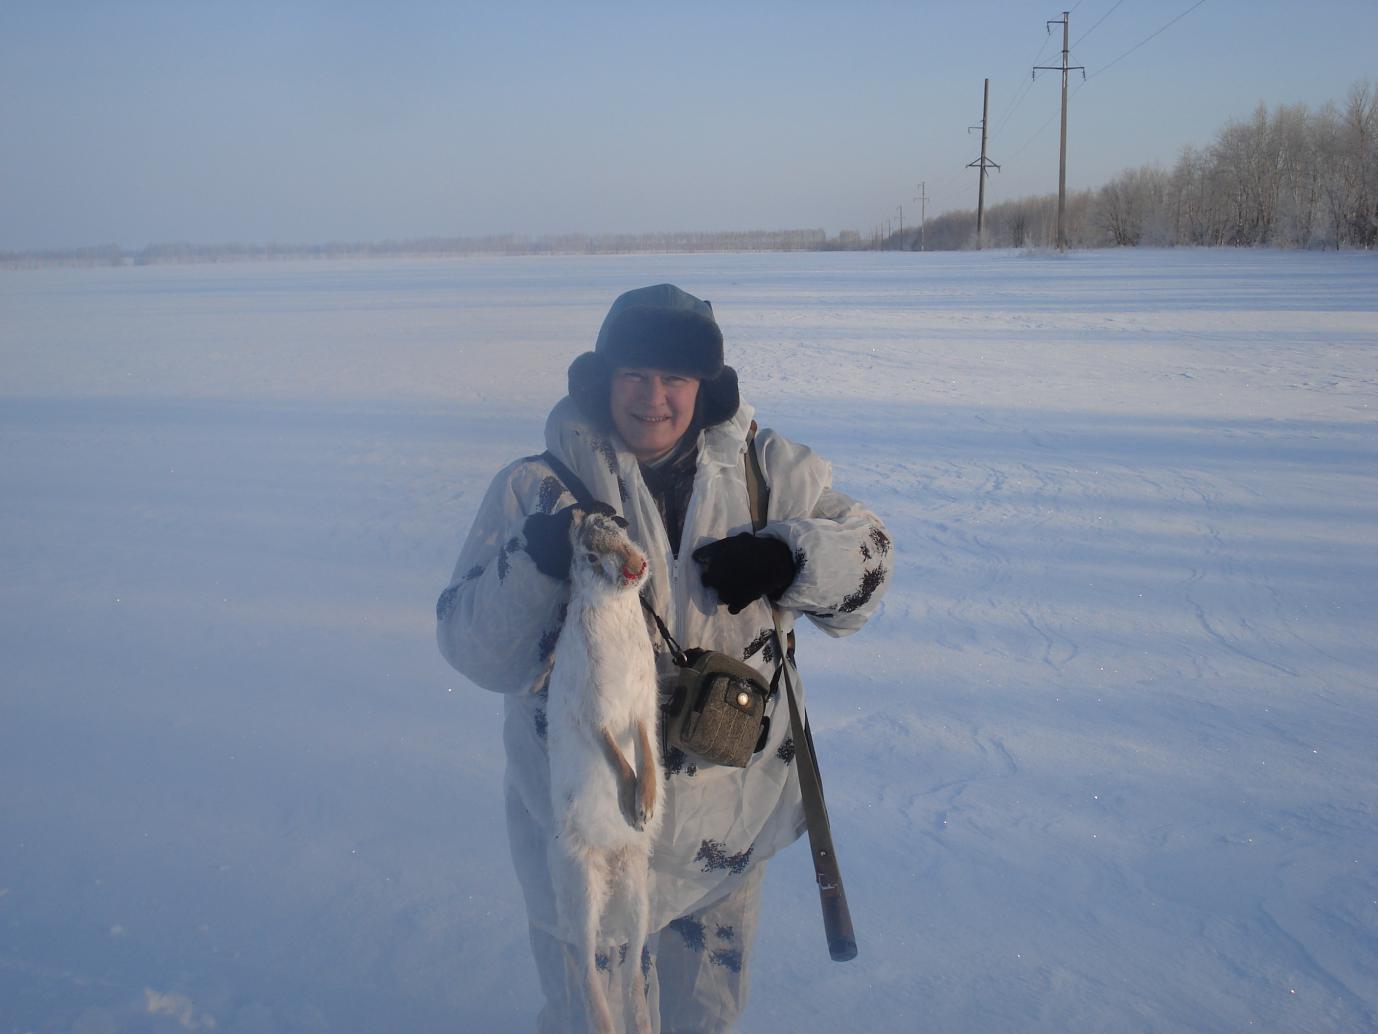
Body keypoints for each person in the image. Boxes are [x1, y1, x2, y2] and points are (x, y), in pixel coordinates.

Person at [436, 283, 890, 1033]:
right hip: (586, 847)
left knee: (704, 1023)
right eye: (634, 375)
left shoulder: (769, 476)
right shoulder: (537, 490)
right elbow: (474, 652)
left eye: (675, 378)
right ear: (603, 379)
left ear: (705, 386)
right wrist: (536, 564)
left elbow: (871, 563)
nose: (653, 398)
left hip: (724, 844)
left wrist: (790, 556)